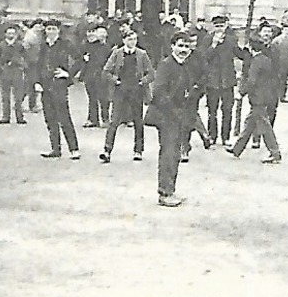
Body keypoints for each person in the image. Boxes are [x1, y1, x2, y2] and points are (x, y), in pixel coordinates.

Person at [147, 32, 202, 207]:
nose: (183, 50)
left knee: (175, 154)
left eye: (187, 47)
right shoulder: (166, 65)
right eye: (180, 46)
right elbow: (159, 92)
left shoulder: (186, 66)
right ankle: (164, 193)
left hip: (179, 117)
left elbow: (191, 88)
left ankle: (170, 189)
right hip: (166, 117)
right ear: (172, 46)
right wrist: (173, 111)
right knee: (168, 154)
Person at [100, 28, 154, 163]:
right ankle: (107, 150)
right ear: (124, 40)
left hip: (136, 90)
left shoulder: (142, 54)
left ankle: (138, 150)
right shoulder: (117, 53)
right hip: (120, 90)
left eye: (135, 39)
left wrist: (143, 82)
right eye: (130, 39)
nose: (133, 42)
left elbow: (151, 73)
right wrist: (115, 80)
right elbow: (106, 71)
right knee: (114, 121)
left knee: (138, 121)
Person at [228, 37, 283, 163]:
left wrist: (241, 93)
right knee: (250, 123)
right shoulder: (266, 60)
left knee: (265, 126)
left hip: (258, 98)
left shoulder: (256, 62)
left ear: (252, 48)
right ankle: (237, 148)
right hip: (266, 96)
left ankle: (275, 152)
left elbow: (251, 81)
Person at [34, 19, 81, 160]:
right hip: (45, 85)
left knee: (64, 117)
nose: (51, 32)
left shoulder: (65, 44)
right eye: (48, 29)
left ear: (58, 30)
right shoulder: (43, 46)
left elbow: (79, 59)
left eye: (54, 29)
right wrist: (37, 82)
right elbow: (38, 65)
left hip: (59, 85)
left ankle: (74, 149)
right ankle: (55, 148)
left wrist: (68, 74)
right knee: (50, 118)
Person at [201, 18, 239, 147]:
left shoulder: (231, 40)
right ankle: (212, 136)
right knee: (212, 110)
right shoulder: (207, 39)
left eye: (221, 26)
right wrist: (213, 45)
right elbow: (203, 57)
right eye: (216, 26)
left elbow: (238, 53)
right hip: (212, 81)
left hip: (227, 80)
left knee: (227, 110)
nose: (219, 29)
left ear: (225, 26)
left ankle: (226, 137)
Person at [0, 25, 28, 125]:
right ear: (5, 34)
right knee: (5, 96)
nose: (11, 35)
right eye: (9, 33)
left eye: (13, 33)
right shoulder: (0, 46)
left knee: (18, 96)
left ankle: (19, 116)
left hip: (17, 72)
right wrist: (1, 68)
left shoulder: (20, 46)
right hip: (5, 73)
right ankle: (5, 116)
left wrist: (22, 66)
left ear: (16, 34)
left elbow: (26, 57)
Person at [80, 25, 112, 128]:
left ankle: (105, 118)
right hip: (90, 75)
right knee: (92, 98)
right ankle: (93, 119)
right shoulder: (89, 46)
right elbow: (83, 59)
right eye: (99, 32)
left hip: (102, 76)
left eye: (103, 32)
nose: (101, 34)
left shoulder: (108, 48)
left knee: (104, 98)